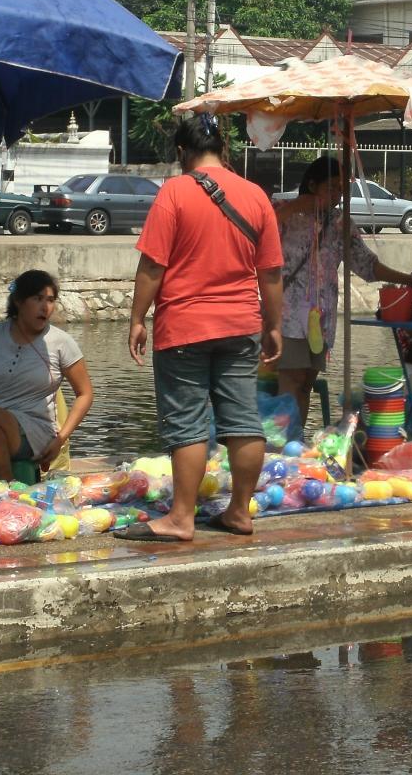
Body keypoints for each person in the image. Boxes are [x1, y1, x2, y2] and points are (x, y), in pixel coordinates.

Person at [121, 115, 283, 543]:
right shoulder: (255, 195)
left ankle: (181, 518)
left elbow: (153, 266)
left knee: (187, 423)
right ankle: (239, 512)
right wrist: (274, 325)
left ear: (182, 152)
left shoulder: (174, 192)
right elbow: (270, 272)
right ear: (223, 149)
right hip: (242, 325)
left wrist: (137, 319)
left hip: (184, 327)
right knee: (244, 418)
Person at [274, 156, 412, 427]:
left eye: (341, 189)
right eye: (331, 187)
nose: (337, 195)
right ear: (312, 185)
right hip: (287, 314)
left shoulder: (341, 223)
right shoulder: (284, 211)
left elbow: (368, 266)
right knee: (291, 380)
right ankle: (283, 444)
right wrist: (297, 206)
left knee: (305, 384)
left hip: (322, 319)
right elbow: (256, 231)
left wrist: (409, 280)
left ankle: (296, 441)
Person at [0, 269, 93, 484]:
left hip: (32, 429)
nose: (45, 307)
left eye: (50, 300)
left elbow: (85, 394)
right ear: (19, 301)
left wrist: (61, 438)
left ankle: (8, 486)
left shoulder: (61, 342)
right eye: (38, 299)